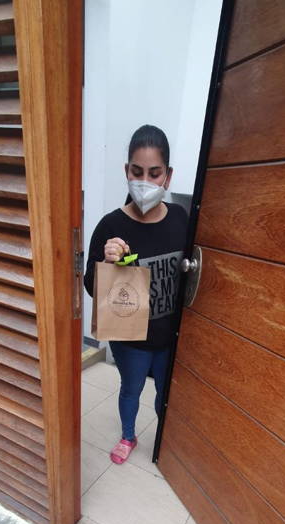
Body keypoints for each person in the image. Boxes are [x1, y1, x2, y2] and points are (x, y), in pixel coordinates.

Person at [84, 124, 188, 465]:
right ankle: (128, 435)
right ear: (126, 171)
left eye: (154, 173)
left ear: (168, 176)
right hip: (130, 338)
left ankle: (166, 440)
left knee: (166, 394)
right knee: (131, 389)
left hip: (170, 335)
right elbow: (91, 286)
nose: (145, 181)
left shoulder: (180, 218)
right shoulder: (111, 226)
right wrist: (106, 262)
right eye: (137, 171)